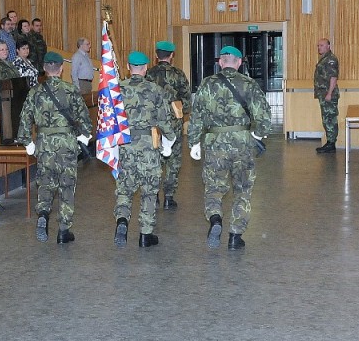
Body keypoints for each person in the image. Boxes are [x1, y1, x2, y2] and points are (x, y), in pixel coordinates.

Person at [188, 45, 271, 251]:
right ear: (239, 62)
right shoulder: (249, 84)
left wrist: (194, 142)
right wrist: (256, 135)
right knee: (243, 189)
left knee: (214, 187)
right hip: (242, 143)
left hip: (214, 143)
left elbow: (196, 116)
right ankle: (235, 236)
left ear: (220, 62)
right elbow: (264, 117)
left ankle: (215, 219)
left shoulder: (207, 84)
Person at [17, 51, 92, 244]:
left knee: (45, 182)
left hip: (44, 144)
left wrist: (28, 143)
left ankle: (43, 214)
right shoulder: (70, 90)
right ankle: (64, 230)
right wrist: (85, 136)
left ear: (44, 68)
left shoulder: (35, 92)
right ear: (61, 69)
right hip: (67, 143)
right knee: (67, 185)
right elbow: (84, 118)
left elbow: (24, 119)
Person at [113, 51, 176, 248]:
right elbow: (164, 120)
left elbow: (109, 119)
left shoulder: (117, 89)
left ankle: (122, 220)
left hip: (125, 144)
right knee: (149, 190)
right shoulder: (155, 89)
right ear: (146, 68)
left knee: (125, 188)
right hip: (148, 145)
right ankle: (145, 234)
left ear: (128, 67)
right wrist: (171, 139)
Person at [146, 40, 192, 209]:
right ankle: (169, 197)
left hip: (154, 125)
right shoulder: (179, 74)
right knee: (173, 161)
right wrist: (178, 113)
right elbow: (187, 101)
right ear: (172, 56)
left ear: (156, 55)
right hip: (173, 125)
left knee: (154, 160)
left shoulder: (148, 74)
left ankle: (154, 196)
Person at [314, 38, 339, 153]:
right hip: (323, 94)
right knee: (327, 119)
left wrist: (329, 93)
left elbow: (333, 77)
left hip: (328, 95)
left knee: (330, 119)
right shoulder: (324, 59)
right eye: (318, 45)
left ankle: (331, 143)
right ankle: (330, 142)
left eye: (322, 45)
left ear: (328, 46)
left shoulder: (330, 59)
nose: (319, 47)